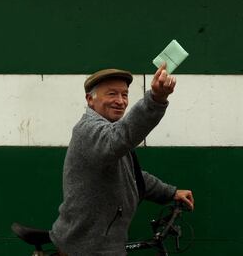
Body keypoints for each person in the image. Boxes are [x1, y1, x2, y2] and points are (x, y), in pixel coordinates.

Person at [50, 63, 194, 256]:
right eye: (111, 94)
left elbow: (132, 176)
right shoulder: (88, 130)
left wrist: (171, 193)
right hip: (87, 248)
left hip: (103, 245)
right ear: (89, 99)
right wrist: (156, 98)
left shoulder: (109, 132)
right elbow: (121, 136)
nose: (120, 101)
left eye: (124, 95)